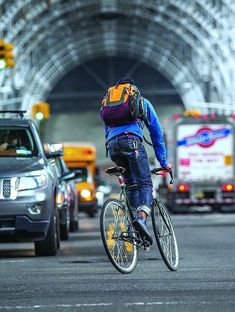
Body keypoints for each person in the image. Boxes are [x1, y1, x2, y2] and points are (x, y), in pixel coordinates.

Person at [100, 77, 172, 245]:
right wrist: (163, 161)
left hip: (112, 147)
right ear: (133, 88)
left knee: (131, 184)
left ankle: (133, 229)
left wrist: (116, 155)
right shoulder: (140, 101)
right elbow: (155, 131)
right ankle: (140, 219)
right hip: (132, 144)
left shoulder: (107, 103)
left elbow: (106, 129)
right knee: (145, 184)